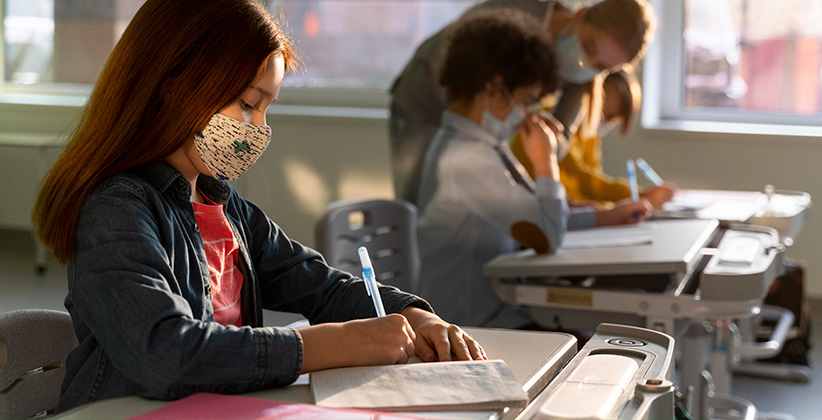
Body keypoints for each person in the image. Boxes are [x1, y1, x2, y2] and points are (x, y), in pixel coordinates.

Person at [31, 0, 484, 413]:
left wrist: (414, 314)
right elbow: (164, 353)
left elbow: (322, 288)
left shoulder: (226, 209)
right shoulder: (116, 210)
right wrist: (333, 344)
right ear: (174, 87)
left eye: (267, 108)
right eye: (249, 103)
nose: (259, 129)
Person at [415, 9, 651, 329]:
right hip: (471, 324)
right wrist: (545, 161)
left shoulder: (485, 147)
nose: (526, 113)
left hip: (495, 312)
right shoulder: (466, 159)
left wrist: (603, 216)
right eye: (526, 100)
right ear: (493, 89)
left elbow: (536, 213)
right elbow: (547, 233)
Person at [389, 0, 657, 206]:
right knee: (420, 206)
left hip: (475, 128)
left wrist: (548, 154)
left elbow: (557, 142)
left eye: (602, 67)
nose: (586, 65)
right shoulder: (516, 14)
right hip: (425, 103)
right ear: (579, 15)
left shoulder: (582, 76)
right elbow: (452, 68)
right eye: (588, 47)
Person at [511, 67, 676, 208]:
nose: (607, 122)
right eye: (606, 113)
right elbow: (584, 180)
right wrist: (642, 195)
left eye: (613, 119)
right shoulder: (549, 121)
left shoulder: (590, 133)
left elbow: (590, 187)